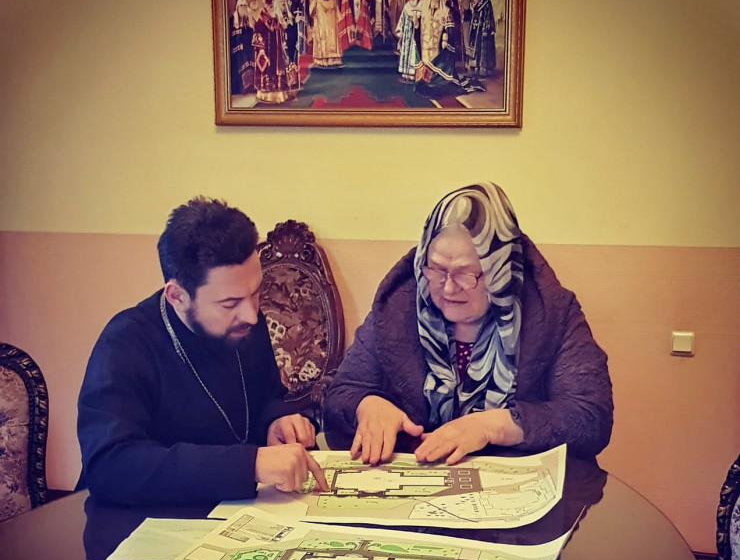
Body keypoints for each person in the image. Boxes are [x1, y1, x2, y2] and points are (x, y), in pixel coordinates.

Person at [323, 181, 613, 466]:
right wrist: (367, 405)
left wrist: (496, 426)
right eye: (437, 269)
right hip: (416, 480)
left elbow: (590, 418)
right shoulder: (397, 306)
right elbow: (340, 395)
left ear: (501, 269)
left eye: (466, 274)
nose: (449, 288)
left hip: (513, 485)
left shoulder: (552, 311)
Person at [78, 197, 329, 505]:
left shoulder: (246, 323)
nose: (251, 314)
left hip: (236, 513)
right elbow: (110, 466)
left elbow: (265, 399)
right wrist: (247, 465)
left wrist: (277, 422)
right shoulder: (125, 342)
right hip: (141, 521)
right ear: (177, 296)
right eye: (230, 303)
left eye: (256, 292)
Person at [252, 0, 298, 104]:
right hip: (266, 52)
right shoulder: (260, 21)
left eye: (272, 5)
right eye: (270, 6)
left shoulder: (275, 19)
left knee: (278, 72)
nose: (272, 8)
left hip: (277, 52)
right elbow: (257, 36)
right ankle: (266, 96)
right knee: (267, 73)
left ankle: (279, 95)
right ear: (265, 6)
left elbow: (281, 32)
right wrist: (261, 50)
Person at [310, 0, 343, 68]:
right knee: (323, 42)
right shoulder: (317, 0)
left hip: (332, 25)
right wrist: (314, 1)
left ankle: (333, 59)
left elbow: (337, 11)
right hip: (321, 26)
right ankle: (322, 60)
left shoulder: (333, 0)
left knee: (332, 41)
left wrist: (340, 20)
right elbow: (311, 12)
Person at [466, 0, 496, 77]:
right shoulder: (472, 2)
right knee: (473, 48)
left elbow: (489, 17)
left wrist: (486, 30)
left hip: (482, 31)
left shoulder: (486, 3)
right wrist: (463, 13)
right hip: (474, 30)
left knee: (482, 50)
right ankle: (474, 68)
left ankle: (483, 70)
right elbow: (470, 14)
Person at [395, 0, 422, 82]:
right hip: (407, 35)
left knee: (414, 54)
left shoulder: (421, 6)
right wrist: (400, 30)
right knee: (405, 53)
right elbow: (402, 19)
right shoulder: (406, 6)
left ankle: (414, 74)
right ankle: (405, 73)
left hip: (416, 35)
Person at [229, 0, 254, 94]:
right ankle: (241, 89)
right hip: (237, 49)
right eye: (241, 5)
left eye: (244, 5)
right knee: (239, 68)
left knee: (250, 65)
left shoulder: (249, 19)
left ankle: (250, 86)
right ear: (237, 7)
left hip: (248, 48)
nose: (243, 7)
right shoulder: (232, 20)